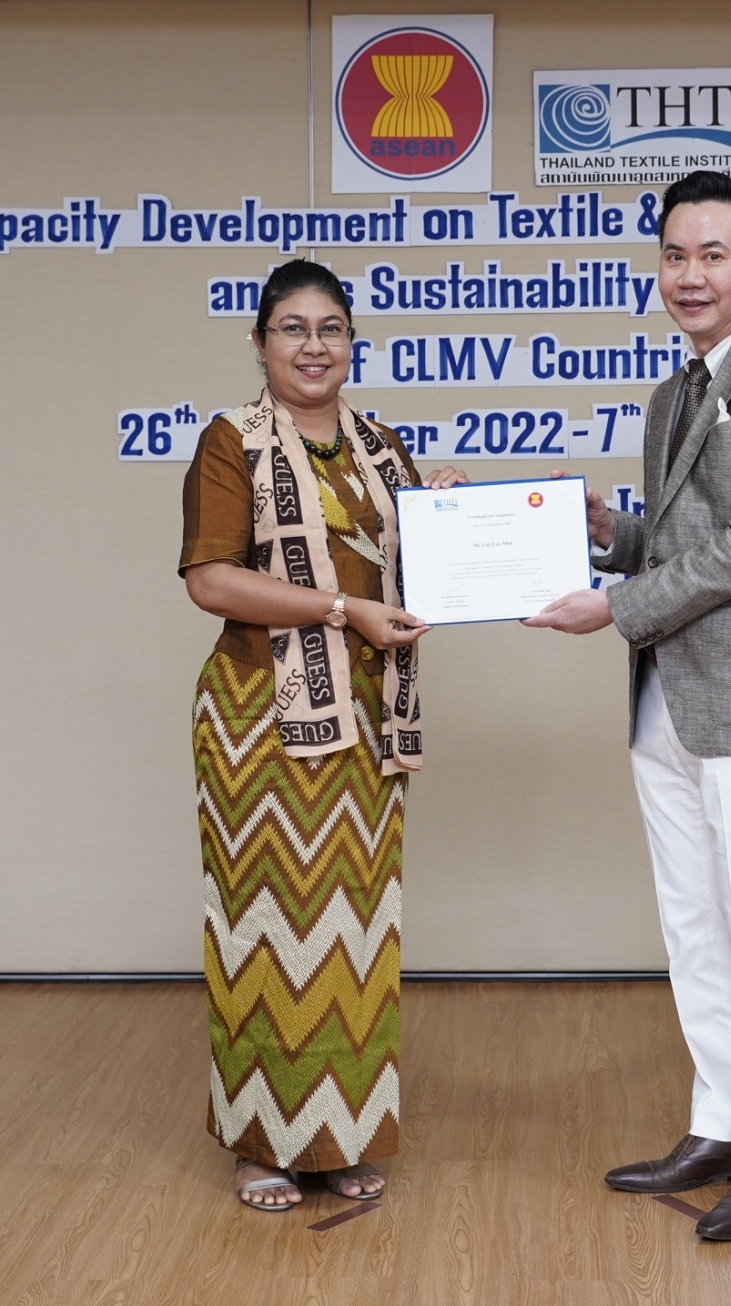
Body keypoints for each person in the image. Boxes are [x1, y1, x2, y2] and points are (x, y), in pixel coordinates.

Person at [527, 171, 731, 1241]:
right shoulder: (675, 391)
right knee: (695, 926)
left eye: (714, 255)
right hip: (668, 700)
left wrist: (615, 605)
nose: (690, 275)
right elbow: (682, 540)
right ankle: (720, 1124)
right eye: (674, 255)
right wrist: (606, 531)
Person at [180, 259, 465, 1211]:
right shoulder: (231, 442)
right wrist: (340, 608)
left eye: (331, 327)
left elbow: (414, 571)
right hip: (260, 719)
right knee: (265, 928)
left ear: (352, 342)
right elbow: (211, 580)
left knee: (355, 932)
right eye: (293, 328)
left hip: (366, 721)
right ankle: (262, 1144)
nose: (314, 345)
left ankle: (339, 1138)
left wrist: (448, 510)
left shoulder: (381, 447)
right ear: (260, 343)